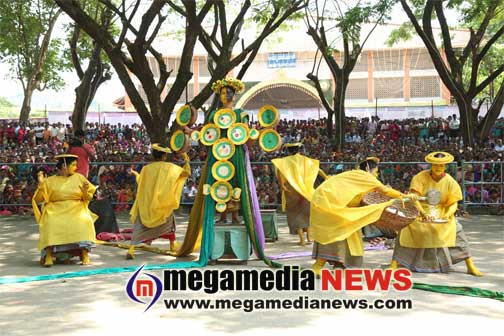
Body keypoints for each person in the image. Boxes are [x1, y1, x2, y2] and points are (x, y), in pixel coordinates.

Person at [172, 78, 274, 267]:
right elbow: (206, 136)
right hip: (217, 155)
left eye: (229, 92)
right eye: (223, 92)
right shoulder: (213, 115)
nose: (226, 95)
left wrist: (258, 134)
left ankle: (235, 216)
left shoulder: (240, 114)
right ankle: (222, 216)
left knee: (236, 185)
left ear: (234, 94)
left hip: (235, 155)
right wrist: (190, 131)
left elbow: (247, 138)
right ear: (219, 95)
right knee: (216, 185)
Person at [310, 157, 417, 276]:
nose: (376, 175)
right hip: (330, 204)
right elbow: (385, 191)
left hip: (326, 201)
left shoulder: (353, 175)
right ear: (367, 168)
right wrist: (403, 196)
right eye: (376, 172)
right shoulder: (365, 176)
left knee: (348, 233)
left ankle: (339, 265)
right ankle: (317, 267)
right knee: (335, 235)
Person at [391, 152, 482, 276]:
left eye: (441, 165)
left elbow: (453, 203)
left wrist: (448, 214)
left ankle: (470, 265)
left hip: (442, 212)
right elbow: (415, 198)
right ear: (431, 165)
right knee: (406, 229)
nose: (438, 168)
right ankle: (394, 264)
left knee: (457, 229)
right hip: (420, 211)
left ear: (445, 166)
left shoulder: (450, 181)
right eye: (435, 165)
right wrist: (423, 213)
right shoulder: (420, 177)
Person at [125, 143, 190, 259]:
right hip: (163, 203)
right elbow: (186, 173)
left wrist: (135, 174)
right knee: (170, 223)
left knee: (140, 226)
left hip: (147, 204)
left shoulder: (146, 169)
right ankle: (173, 244)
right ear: (164, 156)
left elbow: (141, 182)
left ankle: (131, 249)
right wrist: (186, 160)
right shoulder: (170, 167)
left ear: (153, 155)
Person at [32, 154, 97, 267]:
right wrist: (41, 185)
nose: (76, 168)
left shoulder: (79, 177)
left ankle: (84, 252)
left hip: (76, 208)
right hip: (55, 209)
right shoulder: (50, 181)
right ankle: (48, 254)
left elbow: (88, 198)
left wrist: (85, 192)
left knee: (84, 220)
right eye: (73, 165)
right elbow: (38, 199)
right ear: (64, 166)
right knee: (50, 222)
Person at [271, 143, 328, 246]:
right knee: (307, 214)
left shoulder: (285, 161)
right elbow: (317, 169)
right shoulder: (306, 160)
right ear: (298, 150)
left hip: (292, 190)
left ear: (288, 151)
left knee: (295, 215)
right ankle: (309, 238)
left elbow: (280, 171)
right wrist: (326, 177)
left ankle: (302, 240)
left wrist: (282, 185)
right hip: (306, 190)